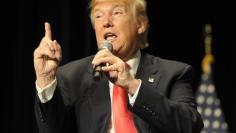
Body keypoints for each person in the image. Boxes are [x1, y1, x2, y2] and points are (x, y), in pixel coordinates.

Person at [34, 0, 204, 132]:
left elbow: (190, 126)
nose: (106, 22)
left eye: (116, 12)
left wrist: (132, 85)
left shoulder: (173, 73)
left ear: (141, 24)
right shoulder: (72, 76)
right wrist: (46, 80)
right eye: (99, 16)